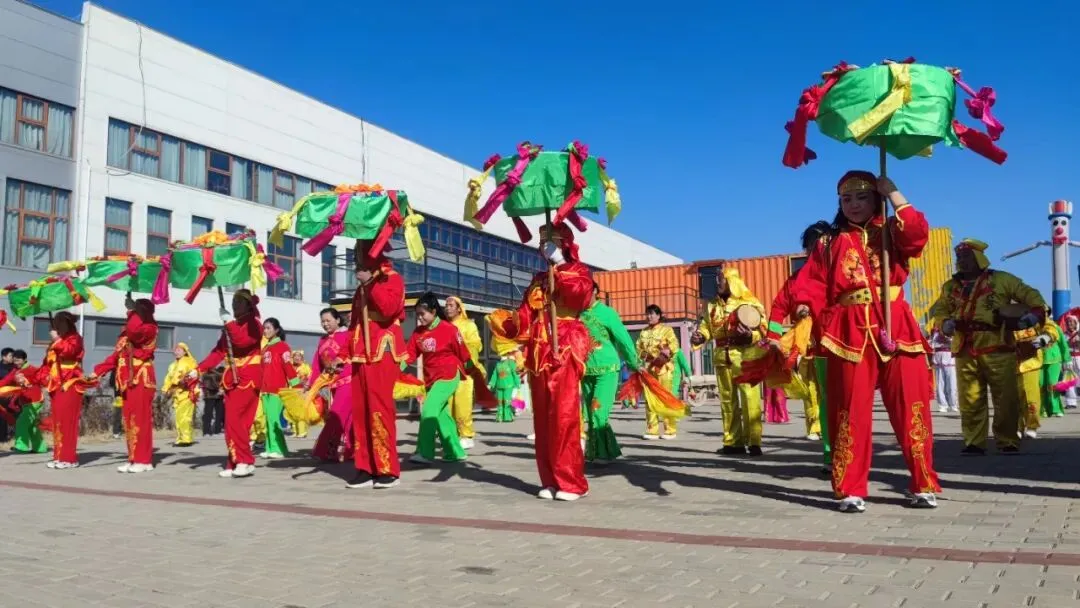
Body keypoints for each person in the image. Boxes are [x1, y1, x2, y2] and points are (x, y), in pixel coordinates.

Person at [790, 171, 941, 512]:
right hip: (849, 331)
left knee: (911, 409)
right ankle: (850, 488)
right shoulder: (829, 243)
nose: (854, 205)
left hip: (897, 326)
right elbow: (811, 283)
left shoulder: (891, 231)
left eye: (862, 197)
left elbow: (918, 236)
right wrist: (804, 303)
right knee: (849, 414)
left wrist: (896, 195)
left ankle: (923, 483)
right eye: (847, 199)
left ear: (875, 199)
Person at [494, 223, 593, 501]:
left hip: (565, 347)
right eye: (542, 243)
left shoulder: (579, 271)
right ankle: (550, 479)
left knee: (564, 416)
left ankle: (572, 482)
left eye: (550, 242)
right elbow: (526, 313)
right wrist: (510, 325)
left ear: (565, 243)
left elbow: (580, 296)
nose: (544, 247)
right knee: (544, 420)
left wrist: (560, 264)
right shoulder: (538, 279)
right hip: (539, 351)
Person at [930, 238, 1048, 455]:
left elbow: (1031, 295)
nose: (961, 261)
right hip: (964, 346)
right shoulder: (950, 286)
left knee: (1006, 397)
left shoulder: (1002, 280)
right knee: (970, 398)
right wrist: (943, 322)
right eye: (959, 257)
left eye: (966, 257)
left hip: (998, 344)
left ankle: (1007, 440)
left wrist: (1033, 315)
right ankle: (974, 441)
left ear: (978, 258)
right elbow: (940, 311)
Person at [345, 238, 407, 490]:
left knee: (379, 409)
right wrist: (342, 351)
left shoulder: (392, 278)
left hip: (382, 350)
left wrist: (370, 282)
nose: (356, 259)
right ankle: (365, 466)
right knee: (360, 412)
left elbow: (390, 308)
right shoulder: (362, 286)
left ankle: (386, 468)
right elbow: (353, 323)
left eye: (360, 252)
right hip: (362, 352)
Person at [691, 267, 766, 456]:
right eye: (717, 279)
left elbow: (763, 328)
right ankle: (733, 442)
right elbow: (706, 327)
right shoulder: (710, 306)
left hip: (745, 357)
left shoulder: (749, 302)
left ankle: (754, 441)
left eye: (721, 279)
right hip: (721, 358)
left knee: (750, 399)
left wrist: (751, 335)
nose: (717, 283)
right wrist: (701, 336)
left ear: (732, 281)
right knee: (727, 401)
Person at [194, 289, 264, 479]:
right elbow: (218, 352)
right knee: (231, 421)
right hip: (233, 377)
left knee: (237, 420)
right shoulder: (230, 326)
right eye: (233, 302)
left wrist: (229, 323)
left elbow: (242, 342)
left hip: (247, 377)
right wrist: (199, 368)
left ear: (249, 305)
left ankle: (245, 461)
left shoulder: (254, 324)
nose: (234, 305)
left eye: (239, 302)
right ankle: (233, 461)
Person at [406, 292, 472, 465]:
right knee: (442, 416)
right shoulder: (417, 333)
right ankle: (455, 452)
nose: (420, 318)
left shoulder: (449, 329)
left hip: (449, 374)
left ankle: (425, 453)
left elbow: (463, 353)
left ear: (434, 311)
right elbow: (409, 356)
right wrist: (394, 370)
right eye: (418, 314)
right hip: (431, 378)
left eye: (423, 314)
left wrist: (474, 371)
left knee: (428, 410)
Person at [580, 282, 640, 463]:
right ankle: (600, 451)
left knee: (598, 410)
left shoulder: (608, 313)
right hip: (585, 370)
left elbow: (623, 339)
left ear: (596, 292)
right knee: (588, 414)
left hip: (607, 369)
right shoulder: (577, 314)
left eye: (586, 289)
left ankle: (602, 454)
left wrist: (633, 363)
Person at [38, 312, 90, 469]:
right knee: (58, 422)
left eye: (59, 323)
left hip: (70, 383)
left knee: (68, 422)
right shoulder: (58, 340)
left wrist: (57, 339)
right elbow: (48, 361)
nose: (56, 327)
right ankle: (59, 456)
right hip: (56, 383)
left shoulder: (75, 338)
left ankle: (69, 458)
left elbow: (70, 352)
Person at [311, 308, 354, 463]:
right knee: (346, 419)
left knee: (336, 415)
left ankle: (326, 450)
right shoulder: (322, 340)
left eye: (328, 320)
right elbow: (317, 365)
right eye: (323, 321)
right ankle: (349, 451)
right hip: (333, 384)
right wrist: (312, 385)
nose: (325, 324)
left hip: (348, 381)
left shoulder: (348, 335)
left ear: (338, 320)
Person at [636, 305, 682, 440]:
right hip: (649, 368)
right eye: (647, 314)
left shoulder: (667, 330)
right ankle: (652, 429)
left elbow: (675, 345)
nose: (649, 317)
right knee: (650, 399)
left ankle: (670, 429)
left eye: (652, 314)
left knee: (665, 397)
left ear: (659, 315)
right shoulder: (643, 332)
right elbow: (638, 348)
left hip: (663, 369)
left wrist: (668, 350)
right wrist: (643, 356)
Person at [445, 296, 484, 450]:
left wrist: (459, 347)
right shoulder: (443, 326)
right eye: (446, 305)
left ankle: (466, 435)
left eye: (451, 305)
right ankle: (450, 434)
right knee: (447, 405)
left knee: (462, 404)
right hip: (446, 371)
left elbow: (476, 345)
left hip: (464, 371)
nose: (447, 308)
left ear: (459, 308)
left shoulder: (469, 325)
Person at [257, 318, 298, 459]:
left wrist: (297, 386)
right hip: (265, 390)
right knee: (268, 420)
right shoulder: (265, 349)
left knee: (274, 420)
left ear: (276, 330)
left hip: (278, 390)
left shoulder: (283, 347)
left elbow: (289, 368)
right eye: (264, 328)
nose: (266, 331)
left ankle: (280, 449)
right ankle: (270, 448)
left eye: (268, 328)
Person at [0, 349, 47, 453]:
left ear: (25, 359)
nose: (16, 363)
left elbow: (43, 380)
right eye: (15, 360)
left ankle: (22, 446)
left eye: (18, 360)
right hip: (25, 402)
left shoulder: (32, 369)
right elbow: (5, 380)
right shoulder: (15, 371)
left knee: (21, 422)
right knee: (32, 426)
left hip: (35, 400)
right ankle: (40, 447)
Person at [163, 343, 200, 447]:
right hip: (177, 394)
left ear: (185, 351)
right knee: (179, 417)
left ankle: (186, 439)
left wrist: (185, 381)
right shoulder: (172, 365)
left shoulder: (190, 362)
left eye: (179, 350)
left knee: (185, 416)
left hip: (188, 393)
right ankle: (181, 438)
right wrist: (166, 389)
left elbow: (195, 374)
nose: (177, 352)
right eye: (176, 350)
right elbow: (168, 379)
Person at [1039, 319, 1069, 420]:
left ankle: (1056, 409)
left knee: (1052, 385)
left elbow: (1063, 344)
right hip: (1038, 360)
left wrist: (1066, 359)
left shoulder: (1055, 327)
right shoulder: (1034, 327)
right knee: (1041, 385)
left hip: (1054, 359)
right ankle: (1043, 409)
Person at [929, 328, 959, 413]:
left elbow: (955, 343)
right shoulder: (935, 333)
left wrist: (947, 337)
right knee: (940, 384)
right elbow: (932, 345)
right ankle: (943, 405)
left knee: (951, 384)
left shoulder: (953, 331)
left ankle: (953, 404)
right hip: (939, 361)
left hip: (950, 360)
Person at [489, 353, 520, 423]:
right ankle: (499, 417)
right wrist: (491, 383)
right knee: (500, 401)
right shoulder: (498, 364)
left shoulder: (511, 363)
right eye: (501, 355)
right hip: (499, 385)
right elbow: (495, 374)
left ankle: (507, 417)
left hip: (508, 385)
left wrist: (517, 383)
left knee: (506, 401)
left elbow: (515, 374)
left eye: (504, 354)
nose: (502, 356)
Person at [288, 350, 312, 438]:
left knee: (301, 412)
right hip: (291, 391)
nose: (297, 358)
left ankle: (302, 431)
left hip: (302, 391)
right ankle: (295, 431)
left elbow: (310, 378)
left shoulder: (306, 367)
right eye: (295, 356)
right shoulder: (290, 366)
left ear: (302, 358)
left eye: (299, 356)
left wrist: (305, 383)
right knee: (292, 412)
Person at [1062, 312, 1080, 409]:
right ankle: (1071, 402)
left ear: (1076, 323)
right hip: (1068, 359)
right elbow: (1061, 347)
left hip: (1079, 358)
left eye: (1072, 322)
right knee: (1069, 380)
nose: (1069, 324)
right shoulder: (1063, 335)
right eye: (1068, 322)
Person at [201, 365, 225, 436]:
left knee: (219, 413)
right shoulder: (207, 373)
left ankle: (217, 430)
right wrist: (220, 389)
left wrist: (222, 389)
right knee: (208, 414)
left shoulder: (219, 371)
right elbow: (213, 383)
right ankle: (206, 431)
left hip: (218, 395)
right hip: (210, 395)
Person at [0, 347, 13, 442]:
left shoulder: (15, 367)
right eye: (10, 356)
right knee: (2, 415)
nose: (12, 358)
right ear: (4, 357)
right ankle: (2, 437)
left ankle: (12, 435)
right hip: (2, 395)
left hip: (14, 395)